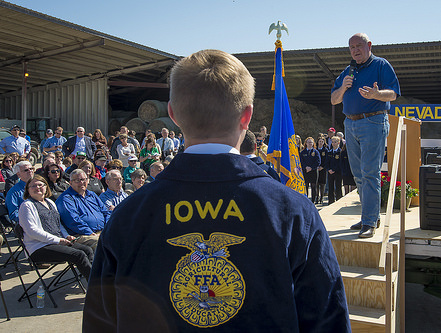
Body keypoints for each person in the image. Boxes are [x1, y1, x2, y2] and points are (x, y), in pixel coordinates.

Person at [83, 49, 349, 332]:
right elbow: (327, 319)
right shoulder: (293, 211)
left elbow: (100, 322)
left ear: (172, 114)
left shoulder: (128, 215)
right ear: (247, 118)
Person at [331, 33, 400, 238]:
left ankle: (369, 221)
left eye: (359, 46)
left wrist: (377, 95)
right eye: (351, 47)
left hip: (373, 121)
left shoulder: (381, 65)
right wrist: (343, 86)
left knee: (370, 172)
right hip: (350, 124)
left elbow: (394, 94)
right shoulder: (348, 71)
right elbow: (334, 100)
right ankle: (369, 216)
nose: (355, 50)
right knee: (359, 175)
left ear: (369, 45)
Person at [18, 175, 93, 281]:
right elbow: (32, 231)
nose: (37, 187)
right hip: (39, 247)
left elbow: (58, 224)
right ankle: (97, 288)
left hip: (57, 243)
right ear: (27, 190)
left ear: (46, 187)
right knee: (78, 255)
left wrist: (66, 236)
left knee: (87, 250)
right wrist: (58, 240)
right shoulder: (27, 206)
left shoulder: (50, 202)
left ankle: (93, 280)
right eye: (33, 186)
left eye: (40, 185)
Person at [56, 169, 111, 251]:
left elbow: (106, 212)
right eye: (77, 180)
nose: (81, 182)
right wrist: (90, 233)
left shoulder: (92, 195)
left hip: (102, 231)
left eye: (83, 179)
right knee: (102, 243)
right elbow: (73, 221)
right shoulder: (66, 199)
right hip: (81, 235)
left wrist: (107, 228)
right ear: (70, 183)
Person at [300, 137, 321, 203]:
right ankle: (305, 200)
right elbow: (301, 161)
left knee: (313, 186)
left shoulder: (316, 152)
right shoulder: (303, 152)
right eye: (308, 142)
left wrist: (311, 168)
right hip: (305, 171)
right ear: (306, 143)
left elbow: (318, 161)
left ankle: (313, 201)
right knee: (306, 186)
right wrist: (306, 167)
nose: (310, 144)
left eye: (311, 142)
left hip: (313, 171)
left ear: (313, 143)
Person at [327, 136, 343, 205]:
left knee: (338, 187)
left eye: (335, 142)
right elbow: (326, 162)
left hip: (338, 172)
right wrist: (329, 169)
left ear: (338, 143)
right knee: (330, 187)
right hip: (330, 172)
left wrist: (335, 170)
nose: (333, 143)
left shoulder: (340, 152)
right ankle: (331, 201)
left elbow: (341, 163)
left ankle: (339, 201)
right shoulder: (329, 152)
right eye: (332, 142)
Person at [316, 135, 329, 204]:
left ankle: (321, 198)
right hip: (316, 169)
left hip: (323, 169)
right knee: (316, 184)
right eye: (319, 141)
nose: (320, 143)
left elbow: (326, 160)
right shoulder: (315, 149)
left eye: (322, 141)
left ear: (324, 142)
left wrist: (322, 167)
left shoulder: (325, 150)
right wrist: (317, 166)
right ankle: (317, 197)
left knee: (322, 184)